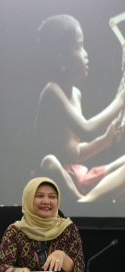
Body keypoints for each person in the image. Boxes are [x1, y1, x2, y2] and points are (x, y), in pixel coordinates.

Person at [34, 14, 125, 202]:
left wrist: (103, 141)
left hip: (77, 177)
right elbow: (87, 129)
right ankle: (85, 203)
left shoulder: (76, 94)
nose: (85, 53)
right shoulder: (52, 91)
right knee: (49, 163)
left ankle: (86, 201)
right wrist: (120, 100)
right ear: (61, 61)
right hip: (54, 183)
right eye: (79, 46)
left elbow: (73, 153)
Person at [0, 177, 84, 272]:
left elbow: (80, 270)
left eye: (52, 197)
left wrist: (64, 258)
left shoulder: (68, 229)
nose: (46, 201)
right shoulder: (15, 231)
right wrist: (16, 271)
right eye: (39, 196)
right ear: (28, 199)